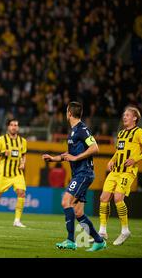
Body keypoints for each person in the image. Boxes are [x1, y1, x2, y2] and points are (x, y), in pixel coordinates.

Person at [42, 101, 106, 251]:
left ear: (69, 113)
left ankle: (70, 240)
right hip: (79, 174)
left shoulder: (82, 129)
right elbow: (68, 155)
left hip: (84, 173)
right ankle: (99, 241)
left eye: (66, 111)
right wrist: (53, 158)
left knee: (65, 201)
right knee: (78, 212)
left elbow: (95, 148)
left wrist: (77, 158)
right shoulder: (73, 131)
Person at [97, 107, 142, 245]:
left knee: (117, 197)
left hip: (128, 171)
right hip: (115, 170)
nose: (124, 117)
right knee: (103, 197)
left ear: (135, 118)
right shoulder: (121, 133)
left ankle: (125, 231)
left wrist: (136, 159)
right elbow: (119, 151)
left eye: (128, 115)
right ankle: (102, 232)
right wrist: (112, 160)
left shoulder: (139, 132)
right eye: (124, 114)